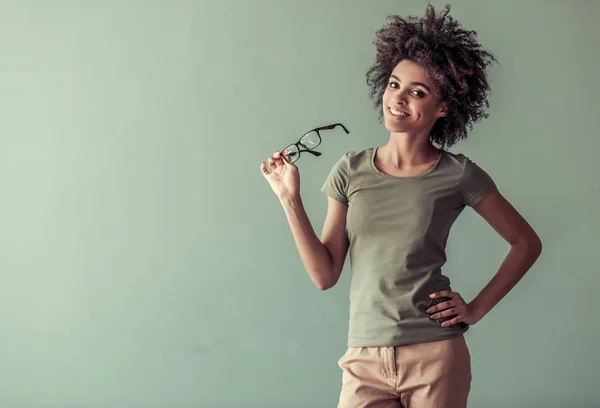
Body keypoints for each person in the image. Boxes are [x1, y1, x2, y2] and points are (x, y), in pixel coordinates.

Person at [260, 4, 542, 407]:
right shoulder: (350, 170)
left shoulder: (459, 174)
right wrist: (290, 200)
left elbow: (526, 243)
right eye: (395, 84)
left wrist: (475, 309)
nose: (399, 98)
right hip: (364, 359)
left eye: (418, 92)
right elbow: (325, 274)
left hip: (435, 355)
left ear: (443, 108)